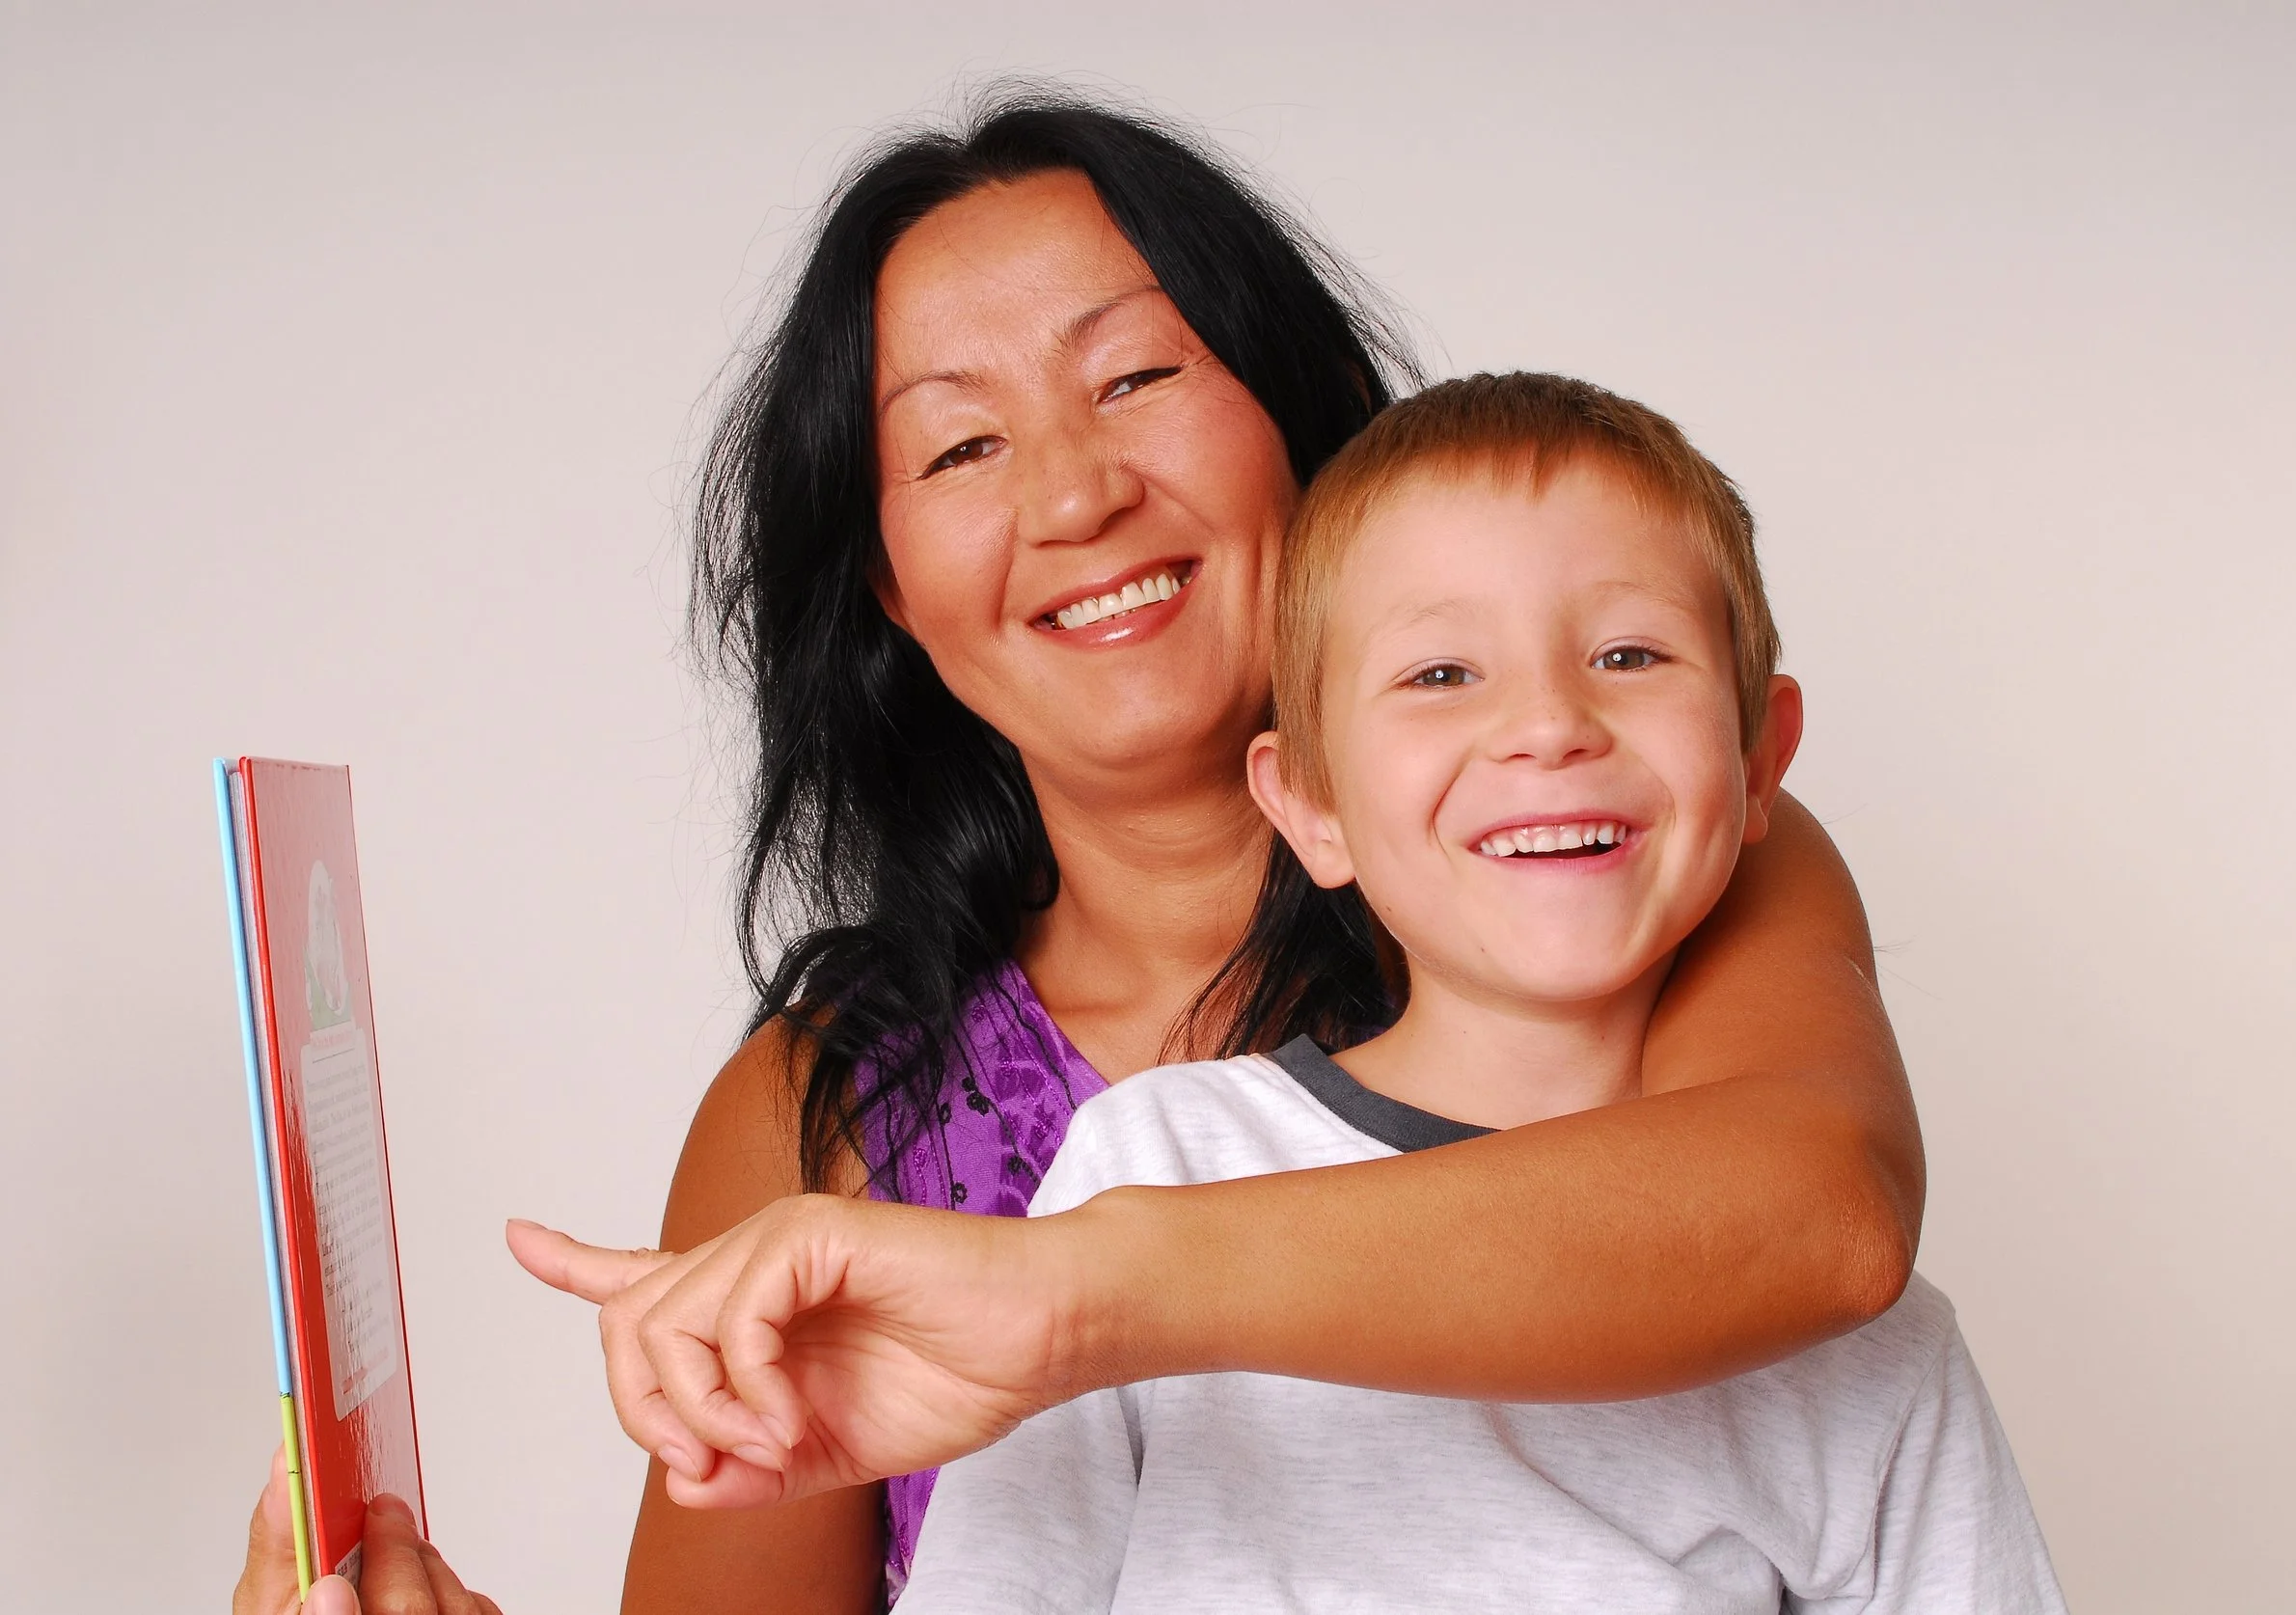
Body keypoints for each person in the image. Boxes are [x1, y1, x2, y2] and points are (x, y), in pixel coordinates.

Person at [235, 89, 1923, 1615]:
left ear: (1304, 421)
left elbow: (1825, 1222)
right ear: (890, 583)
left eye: (1138, 376)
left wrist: (1066, 1292)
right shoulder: (819, 1107)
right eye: (962, 444)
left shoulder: (1622, 862)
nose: (1072, 495)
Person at [879, 371, 2067, 1611]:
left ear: (1759, 756)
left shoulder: (1864, 1341)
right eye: (1443, 674)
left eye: (1628, 653)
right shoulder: (1156, 1162)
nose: (1550, 725)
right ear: (1311, 805)